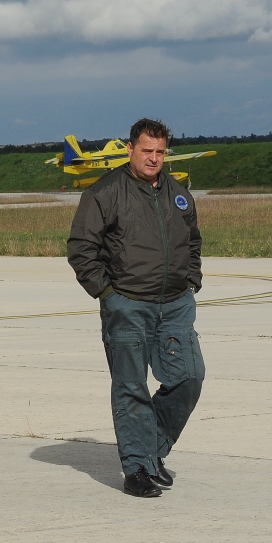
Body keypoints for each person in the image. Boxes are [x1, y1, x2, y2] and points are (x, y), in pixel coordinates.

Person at [67, 118, 206, 498]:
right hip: (127, 305)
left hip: (176, 305)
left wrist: (192, 277)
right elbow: (81, 248)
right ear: (130, 149)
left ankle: (149, 451)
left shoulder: (178, 193)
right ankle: (137, 470)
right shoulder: (105, 192)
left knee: (189, 378)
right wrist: (108, 294)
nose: (154, 158)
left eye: (160, 152)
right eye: (147, 150)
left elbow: (193, 240)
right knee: (130, 387)